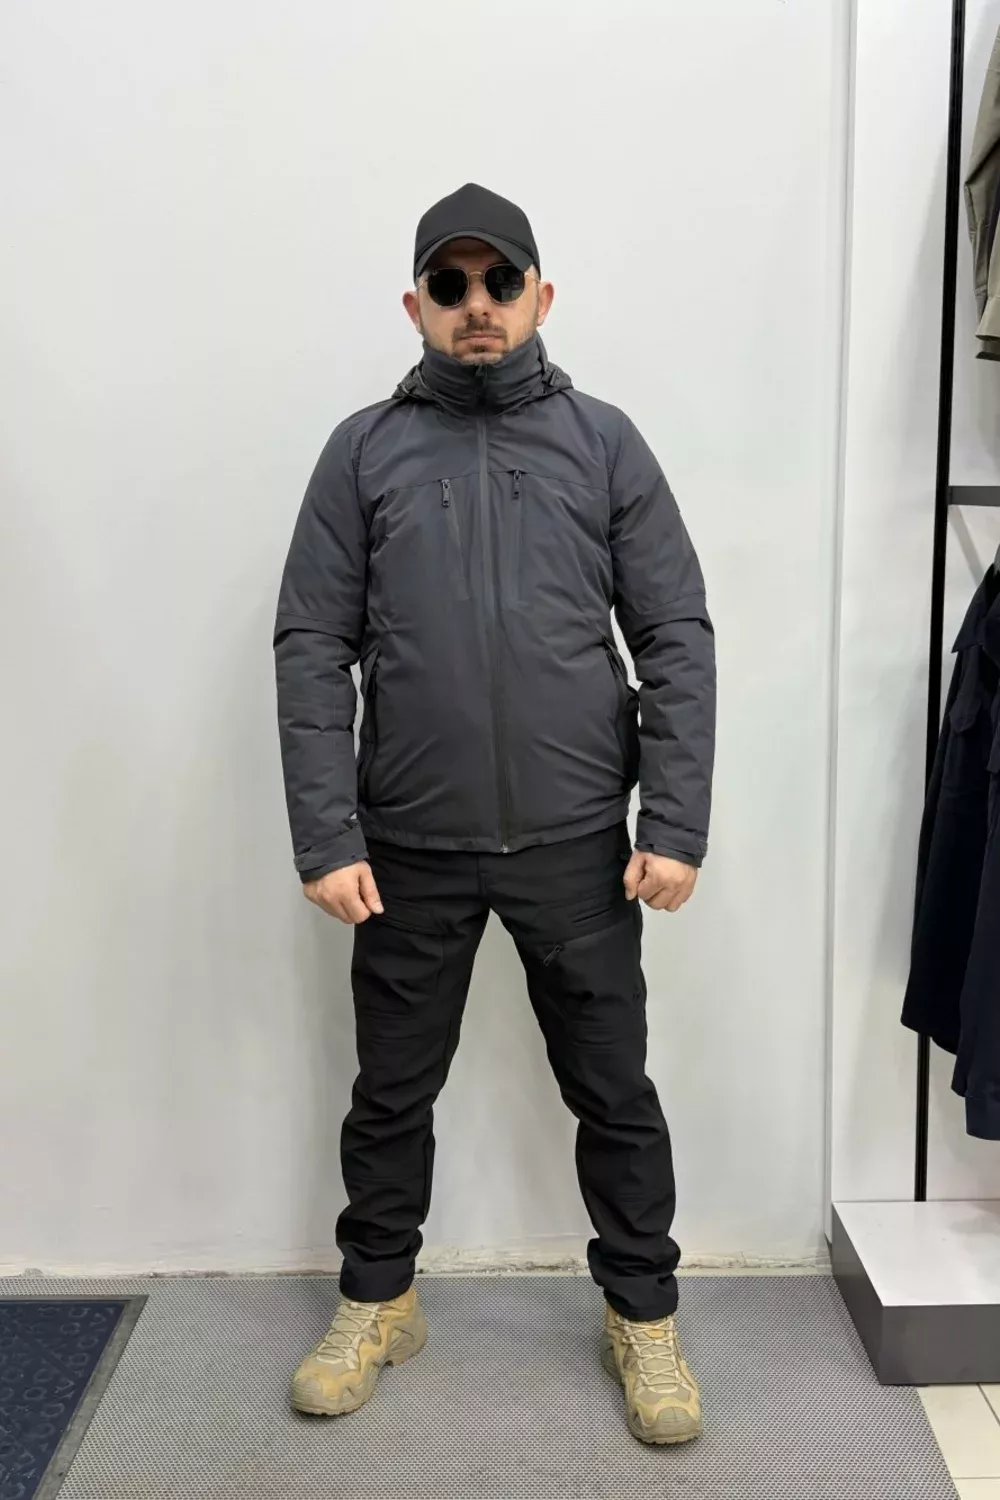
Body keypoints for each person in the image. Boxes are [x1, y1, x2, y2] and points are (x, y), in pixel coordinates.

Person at [273, 183, 716, 1447]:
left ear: (540, 296)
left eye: (501, 281)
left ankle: (641, 1316)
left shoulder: (604, 443)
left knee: (613, 1093)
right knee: (389, 1095)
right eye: (452, 284)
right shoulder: (363, 452)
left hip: (578, 849)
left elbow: (674, 634)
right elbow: (311, 645)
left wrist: (673, 820)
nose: (478, 305)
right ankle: (379, 1301)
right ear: (415, 304)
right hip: (407, 849)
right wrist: (327, 836)